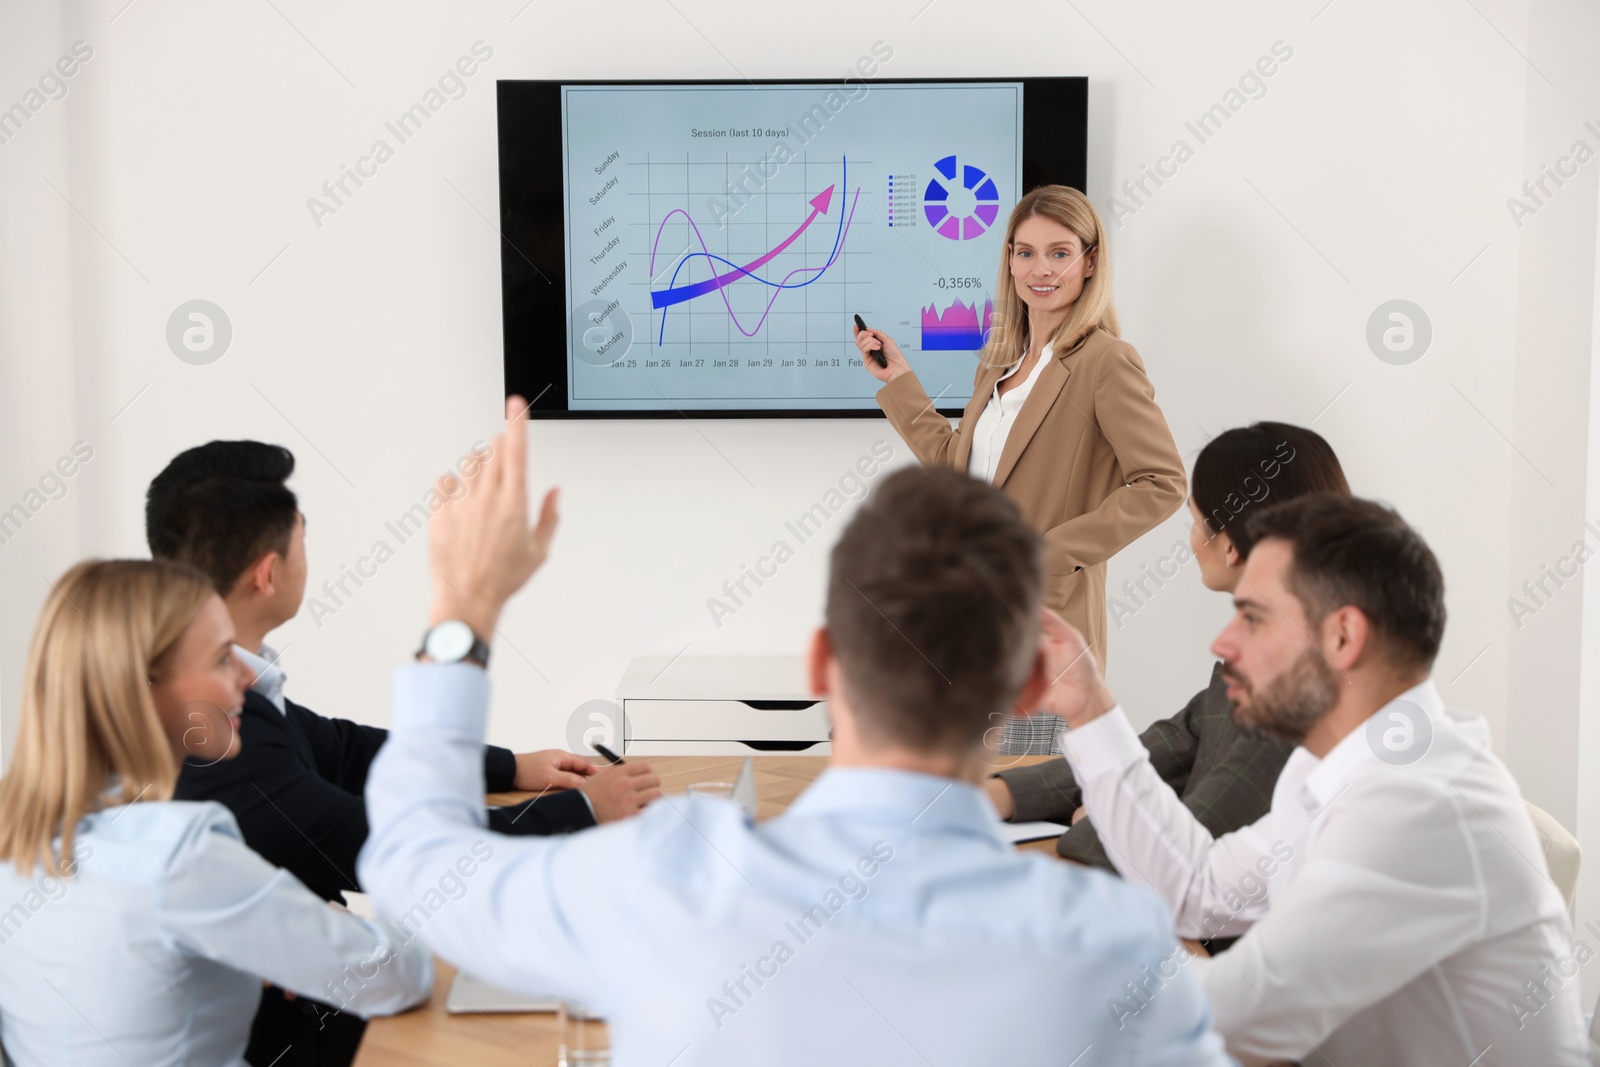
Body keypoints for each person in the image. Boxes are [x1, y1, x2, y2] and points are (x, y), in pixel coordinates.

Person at [356, 397, 1231, 1066]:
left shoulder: (667, 881)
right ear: (1035, 685)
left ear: (820, 667)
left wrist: (461, 611)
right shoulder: (1119, 951)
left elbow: (411, 869)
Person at [144, 440, 660, 1067]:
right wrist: (583, 812)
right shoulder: (217, 733)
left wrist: (509, 766)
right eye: (303, 537)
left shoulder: (220, 694)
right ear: (268, 572)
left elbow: (340, 747)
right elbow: (389, 849)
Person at [1035, 492, 1589, 1064]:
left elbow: (1241, 1016)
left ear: (1343, 637)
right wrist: (1089, 706)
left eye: (1251, 618)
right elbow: (1197, 888)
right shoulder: (1334, 765)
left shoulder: (1420, 803)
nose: (1222, 645)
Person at [0, 559, 431, 1067]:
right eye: (223, 657)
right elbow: (397, 975)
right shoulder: (180, 854)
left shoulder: (21, 837)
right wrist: (320, 926)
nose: (248, 675)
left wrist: (254, 944)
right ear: (143, 687)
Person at [855, 184, 1185, 753]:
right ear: (1008, 260)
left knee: (1028, 784)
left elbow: (1162, 484)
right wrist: (901, 386)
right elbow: (963, 476)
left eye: (1059, 253)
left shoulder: (1104, 362)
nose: (1041, 269)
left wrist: (1045, 554)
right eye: (1025, 252)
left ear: (1090, 262)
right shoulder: (999, 360)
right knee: (966, 786)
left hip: (1044, 620)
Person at [986, 422, 1347, 877]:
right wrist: (1001, 793)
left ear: (1230, 545)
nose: (1192, 541)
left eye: (1196, 523)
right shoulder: (1277, 652)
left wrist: (1093, 822)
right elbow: (1168, 746)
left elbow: (1186, 849)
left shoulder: (1298, 684)